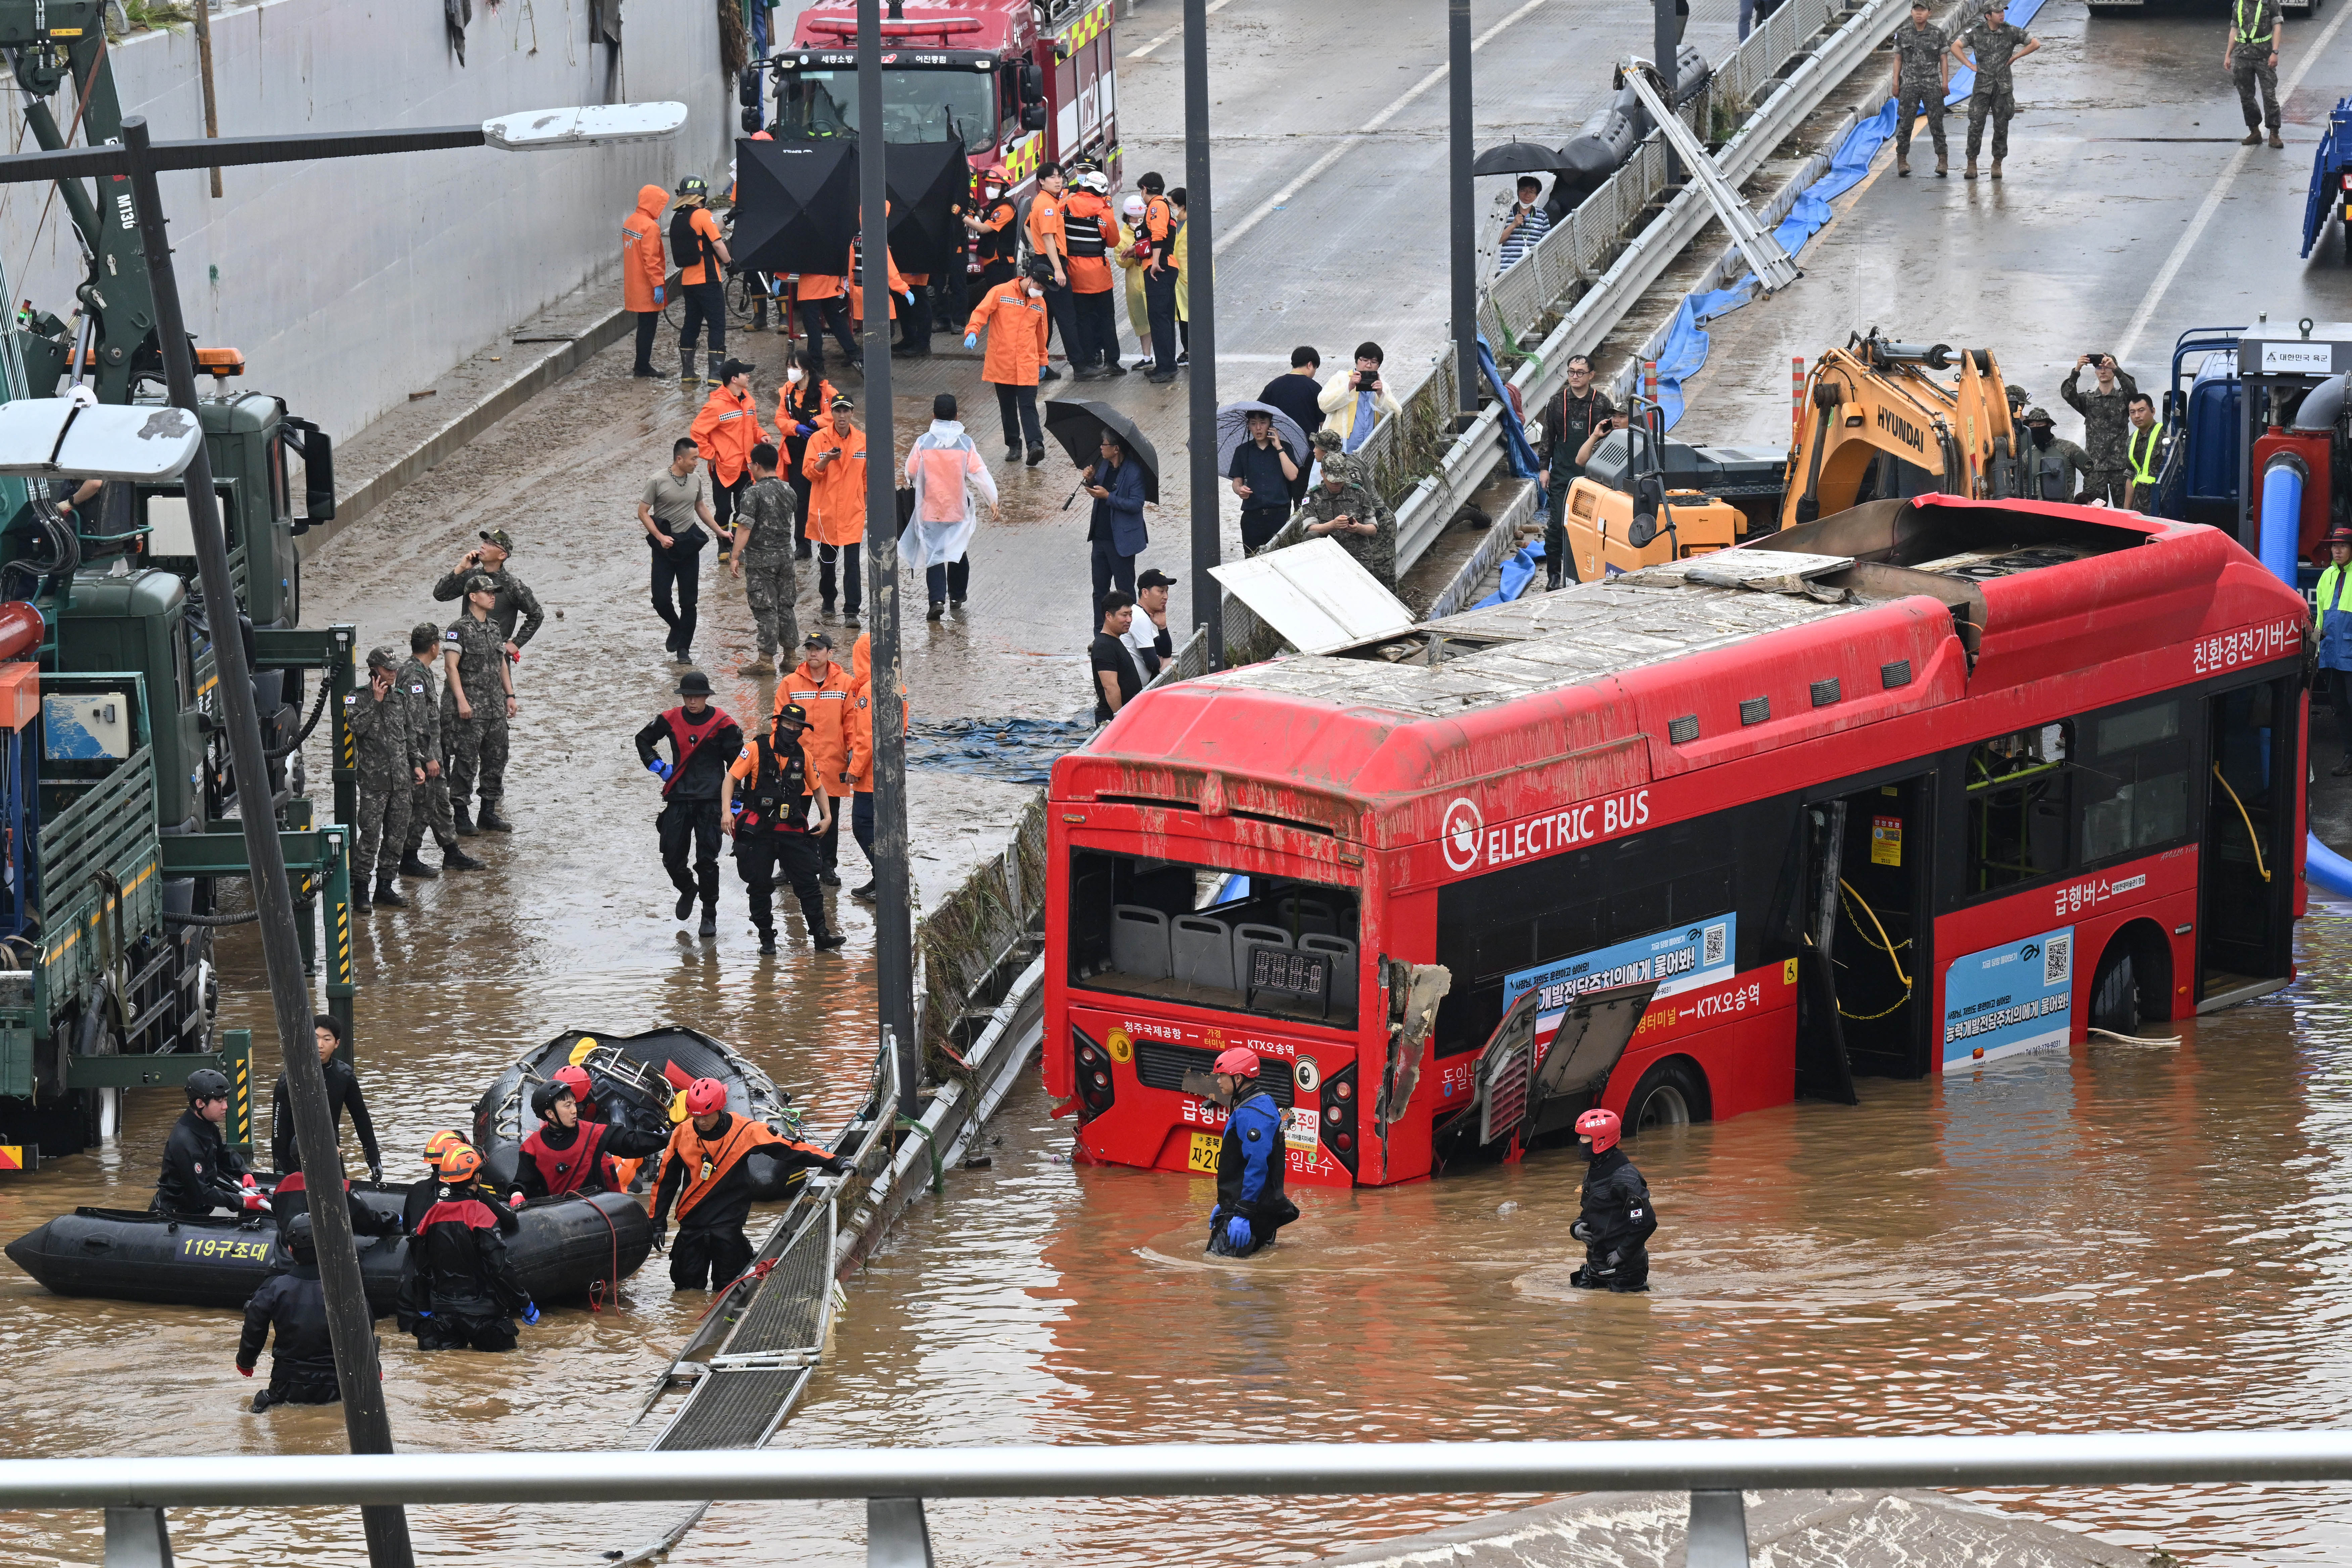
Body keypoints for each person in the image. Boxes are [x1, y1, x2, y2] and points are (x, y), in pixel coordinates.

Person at [650, 1077, 848, 1289]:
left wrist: (836, 1162)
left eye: (707, 1115)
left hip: (728, 1226)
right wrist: (657, 1223)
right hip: (691, 1226)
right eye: (697, 1116)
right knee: (685, 1290)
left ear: (720, 1109)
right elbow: (665, 1181)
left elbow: (790, 1149)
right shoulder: (682, 1134)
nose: (702, 1122)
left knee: (728, 1288)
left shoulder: (746, 1131)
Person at [721, 703, 845, 953]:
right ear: (777, 724)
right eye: (788, 724)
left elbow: (818, 787)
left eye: (797, 727)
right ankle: (767, 940)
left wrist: (828, 816)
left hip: (791, 827)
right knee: (759, 885)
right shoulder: (754, 749)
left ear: (802, 730)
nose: (792, 729)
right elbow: (731, 778)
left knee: (809, 883)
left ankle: (821, 936)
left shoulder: (804, 756)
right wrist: (726, 812)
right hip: (759, 829)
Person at [636, 670, 743, 938]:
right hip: (679, 798)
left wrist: (736, 804)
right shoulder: (670, 718)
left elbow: (738, 765)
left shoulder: (724, 724)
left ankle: (709, 915)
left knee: (707, 860)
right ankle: (687, 889)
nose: (692, 702)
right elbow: (643, 739)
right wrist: (659, 767)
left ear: (707, 696)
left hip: (711, 800)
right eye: (687, 697)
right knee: (672, 857)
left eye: (697, 697)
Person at [399, 1142, 536, 1351]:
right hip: (484, 1314)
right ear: (477, 1177)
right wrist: (525, 1302)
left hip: (444, 1316)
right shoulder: (481, 1214)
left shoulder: (432, 1215)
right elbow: (499, 1268)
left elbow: (421, 1269)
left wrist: (424, 1306)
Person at [396, 622, 484, 878]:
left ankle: (451, 852)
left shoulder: (418, 671)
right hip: (424, 758)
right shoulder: (414, 676)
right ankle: (409, 858)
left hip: (429, 754)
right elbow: (417, 722)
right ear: (434, 647)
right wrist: (429, 759)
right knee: (423, 807)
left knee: (440, 805)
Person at [906, 392, 1000, 620]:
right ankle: (957, 595)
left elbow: (910, 471)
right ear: (957, 415)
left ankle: (937, 599)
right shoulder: (965, 443)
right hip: (957, 508)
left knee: (934, 554)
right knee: (958, 551)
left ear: (933, 415)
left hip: (930, 509)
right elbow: (979, 472)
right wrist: (992, 499)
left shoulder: (923, 442)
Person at [236, 1213, 339, 1412]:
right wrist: (374, 1367)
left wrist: (246, 1361)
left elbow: (254, 1326)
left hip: (286, 1385)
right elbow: (364, 1331)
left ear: (290, 1249)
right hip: (336, 1386)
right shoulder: (345, 1290)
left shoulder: (275, 1289)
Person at [1204, 1048, 1299, 1258]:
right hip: (1255, 1209)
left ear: (1238, 1078)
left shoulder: (1252, 1113)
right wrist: (1224, 1203)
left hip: (1248, 1213)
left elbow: (1257, 1164)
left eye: (1222, 1076)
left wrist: (1242, 1213)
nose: (1218, 1081)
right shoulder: (1260, 1102)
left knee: (1217, 1270)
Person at [346, 647, 421, 914]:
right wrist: (375, 702)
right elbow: (356, 729)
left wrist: (417, 764)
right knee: (369, 837)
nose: (393, 672)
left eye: (395, 668)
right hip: (374, 782)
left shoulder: (400, 697)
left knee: (396, 837)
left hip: (401, 781)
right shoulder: (357, 697)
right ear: (374, 669)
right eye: (388, 669)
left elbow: (409, 734)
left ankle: (385, 888)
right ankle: (361, 890)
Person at [778, 633, 855, 885]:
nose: (813, 653)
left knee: (829, 818)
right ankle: (788, 868)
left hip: (832, 762)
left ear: (829, 653)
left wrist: (853, 752)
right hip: (797, 764)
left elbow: (851, 722)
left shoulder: (846, 684)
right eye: (809, 648)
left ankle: (827, 867)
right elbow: (780, 722)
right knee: (790, 817)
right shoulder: (790, 683)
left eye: (819, 649)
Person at [443, 573, 516, 835]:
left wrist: (510, 695)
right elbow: (451, 667)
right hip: (470, 709)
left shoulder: (494, 628)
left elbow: (501, 664)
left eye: (494, 592)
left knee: (497, 758)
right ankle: (461, 816)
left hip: (495, 708)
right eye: (488, 593)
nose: (493, 596)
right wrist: (461, 702)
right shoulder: (458, 629)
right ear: (473, 597)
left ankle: (488, 813)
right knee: (465, 762)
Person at [1539, 356, 1621, 589]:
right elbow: (1548, 438)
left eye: (1580, 373)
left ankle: (1582, 573)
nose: (1575, 377)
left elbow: (1612, 440)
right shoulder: (1556, 403)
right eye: (1571, 372)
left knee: (1586, 528)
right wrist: (1545, 469)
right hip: (1562, 474)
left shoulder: (1602, 404)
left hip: (1591, 478)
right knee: (1556, 526)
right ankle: (1554, 576)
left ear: (1591, 376)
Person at [514, 1080, 670, 1201]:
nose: (575, 1110)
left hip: (595, 1213)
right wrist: (517, 1194)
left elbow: (631, 1142)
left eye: (574, 1104)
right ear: (550, 1114)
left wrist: (669, 1138)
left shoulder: (593, 1133)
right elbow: (522, 1183)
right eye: (567, 1106)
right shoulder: (531, 1148)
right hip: (556, 1219)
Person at [270, 1014, 382, 1179]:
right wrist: (279, 1170)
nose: (320, 1045)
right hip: (295, 1158)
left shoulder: (343, 1075)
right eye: (315, 1038)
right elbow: (278, 1129)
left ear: (337, 1043)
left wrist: (374, 1161)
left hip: (331, 1153)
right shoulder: (290, 1078)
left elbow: (362, 1120)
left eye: (327, 1039)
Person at [965, 257, 1053, 464]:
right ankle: (1014, 445)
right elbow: (981, 312)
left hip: (1027, 364)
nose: (1041, 291)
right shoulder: (1000, 292)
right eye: (1040, 285)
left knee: (1028, 406)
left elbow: (1042, 335)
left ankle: (1035, 445)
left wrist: (1043, 360)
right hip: (1002, 363)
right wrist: (973, 331)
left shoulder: (1040, 304)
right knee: (1007, 408)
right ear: (1030, 278)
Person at [690, 358, 773, 570]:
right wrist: (711, 455)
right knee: (723, 509)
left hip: (746, 467)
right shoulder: (716, 405)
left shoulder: (749, 402)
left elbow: (753, 428)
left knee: (743, 510)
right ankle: (723, 545)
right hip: (724, 468)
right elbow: (697, 433)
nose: (749, 376)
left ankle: (736, 545)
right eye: (745, 374)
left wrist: (762, 436)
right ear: (734, 379)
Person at [640, 437, 717, 664]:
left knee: (689, 602)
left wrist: (719, 532)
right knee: (661, 599)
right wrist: (660, 537)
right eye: (694, 459)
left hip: (689, 546)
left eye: (698, 458)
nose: (697, 463)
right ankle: (676, 626)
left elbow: (700, 507)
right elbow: (643, 512)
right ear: (679, 458)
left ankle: (684, 649)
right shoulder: (656, 480)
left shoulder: (696, 480)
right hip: (664, 546)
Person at [843, 631, 904, 903]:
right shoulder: (895, 683)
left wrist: (855, 769)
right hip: (891, 771)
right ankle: (882, 876)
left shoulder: (869, 690)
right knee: (883, 827)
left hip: (871, 776)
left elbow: (866, 736)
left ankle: (885, 876)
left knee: (863, 825)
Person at [1568, 1108, 1656, 1293]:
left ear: (1600, 1140)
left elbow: (1645, 1222)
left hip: (1626, 1272)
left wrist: (1622, 1253)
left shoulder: (1626, 1179)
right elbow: (1591, 1211)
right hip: (1597, 1267)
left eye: (1585, 1137)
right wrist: (1577, 1228)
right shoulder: (1595, 1172)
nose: (1579, 1142)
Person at [733, 442, 801, 676]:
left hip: (761, 560)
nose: (750, 467)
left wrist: (734, 556)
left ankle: (765, 660)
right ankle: (791, 656)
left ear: (758, 465)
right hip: (785, 557)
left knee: (765, 609)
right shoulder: (789, 490)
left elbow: (744, 528)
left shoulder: (753, 493)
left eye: (751, 464)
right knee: (786, 607)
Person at [153, 1067, 258, 1219]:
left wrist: (244, 1171)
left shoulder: (206, 1125)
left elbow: (223, 1152)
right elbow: (202, 1192)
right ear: (200, 1103)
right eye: (220, 1101)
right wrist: (242, 1202)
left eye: (226, 1100)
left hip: (199, 1208)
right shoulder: (186, 1142)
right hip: (177, 1213)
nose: (226, 1107)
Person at [1949, 5, 2038, 180]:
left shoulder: (2011, 31)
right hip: (1982, 86)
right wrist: (1970, 65)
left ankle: (1997, 163)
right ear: (1988, 16)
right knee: (1976, 125)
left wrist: (2015, 57)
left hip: (2003, 87)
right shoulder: (1977, 32)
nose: (2002, 15)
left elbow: (2035, 43)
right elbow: (1955, 46)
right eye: (1998, 12)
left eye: (2003, 11)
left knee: (2001, 126)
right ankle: (1972, 163)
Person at [429, 529, 546, 661]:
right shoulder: (471, 576)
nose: (483, 546)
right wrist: (461, 567)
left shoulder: (512, 585)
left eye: (491, 544)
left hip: (495, 658)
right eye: (485, 542)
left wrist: (516, 643)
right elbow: (440, 594)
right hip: (467, 654)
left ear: (502, 555)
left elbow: (537, 614)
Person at [806, 393, 868, 624]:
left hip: (852, 511)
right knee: (828, 563)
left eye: (846, 411)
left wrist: (865, 505)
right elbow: (809, 472)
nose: (842, 416)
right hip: (827, 512)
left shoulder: (862, 440)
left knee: (852, 563)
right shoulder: (818, 439)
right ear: (831, 413)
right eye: (838, 411)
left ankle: (852, 610)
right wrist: (826, 461)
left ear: (852, 413)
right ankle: (828, 602)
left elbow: (865, 478)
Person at [1298, 449, 1399, 590]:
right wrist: (1333, 525)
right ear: (1323, 474)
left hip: (1358, 557)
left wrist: (1359, 528)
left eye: (1340, 480)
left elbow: (1373, 528)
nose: (1337, 484)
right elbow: (1310, 528)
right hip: (1329, 557)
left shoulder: (1358, 493)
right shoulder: (1313, 496)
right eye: (1333, 480)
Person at [669, 175, 733, 385]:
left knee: (691, 324)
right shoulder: (702, 214)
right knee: (717, 324)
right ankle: (715, 376)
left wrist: (728, 218)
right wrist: (731, 264)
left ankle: (688, 372)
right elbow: (716, 243)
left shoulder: (678, 217)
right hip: (708, 278)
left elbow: (703, 235)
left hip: (688, 281)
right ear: (702, 197)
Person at [1063, 169, 1122, 378]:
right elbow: (1114, 241)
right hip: (1098, 274)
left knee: (1083, 319)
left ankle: (1089, 361)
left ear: (1082, 185)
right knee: (1106, 318)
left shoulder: (1066, 206)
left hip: (1073, 272)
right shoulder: (1103, 211)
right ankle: (1112, 362)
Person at [774, 349, 833, 561]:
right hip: (797, 454)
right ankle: (802, 544)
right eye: (789, 367)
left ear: (806, 370)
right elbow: (780, 419)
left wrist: (819, 422)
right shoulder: (787, 393)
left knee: (825, 499)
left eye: (795, 367)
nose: (791, 372)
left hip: (822, 454)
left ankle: (827, 543)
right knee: (800, 501)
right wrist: (795, 427)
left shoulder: (825, 391)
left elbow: (838, 414)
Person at [2062, 355, 2140, 507]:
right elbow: (2067, 394)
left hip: (2120, 468)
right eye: (2099, 368)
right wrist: (2077, 369)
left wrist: (2117, 369)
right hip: (2096, 470)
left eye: (2107, 367)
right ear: (2095, 372)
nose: (2103, 371)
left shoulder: (2123, 398)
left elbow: (2134, 394)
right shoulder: (2089, 400)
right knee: (2094, 515)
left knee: (2124, 512)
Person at [1084, 431, 1150, 614]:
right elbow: (1100, 489)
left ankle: (1129, 633)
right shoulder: (1104, 466)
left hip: (1121, 542)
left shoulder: (1134, 472)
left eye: (1104, 445)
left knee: (1125, 592)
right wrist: (1091, 480)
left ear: (1116, 448)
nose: (1101, 448)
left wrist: (1108, 497)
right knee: (1099, 591)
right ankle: (1100, 634)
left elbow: (1136, 504)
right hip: (1100, 539)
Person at [1026, 163, 1075, 381]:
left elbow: (1028, 226)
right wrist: (1058, 269)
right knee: (1067, 317)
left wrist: (1035, 248)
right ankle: (1081, 365)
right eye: (1053, 177)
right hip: (1051, 263)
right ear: (1042, 181)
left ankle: (1041, 367)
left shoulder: (1043, 202)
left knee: (1045, 318)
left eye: (1060, 176)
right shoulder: (1047, 205)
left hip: (1042, 260)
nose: (1058, 181)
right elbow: (1048, 237)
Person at [1258, 348, 1325, 507]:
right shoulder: (1315, 388)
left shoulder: (1273, 386)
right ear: (1310, 365)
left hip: (1278, 452)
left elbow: (1260, 415)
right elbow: (1324, 425)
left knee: (1281, 501)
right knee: (1303, 501)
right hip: (1306, 455)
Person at [1891, 1, 1950, 179]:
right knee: (1906, 123)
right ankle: (1902, 160)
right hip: (1909, 84)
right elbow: (1898, 59)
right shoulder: (1903, 34)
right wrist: (1895, 83)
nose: (1919, 14)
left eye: (1922, 10)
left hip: (1931, 84)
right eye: (1916, 10)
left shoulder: (1938, 34)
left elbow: (1944, 60)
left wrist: (1945, 83)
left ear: (1929, 13)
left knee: (1936, 123)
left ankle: (1942, 161)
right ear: (1911, 13)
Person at [1230, 409, 1301, 553]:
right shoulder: (1242, 451)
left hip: (1279, 515)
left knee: (1280, 558)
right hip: (1252, 516)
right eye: (1253, 423)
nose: (1258, 428)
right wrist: (1239, 490)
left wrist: (1279, 447)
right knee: (1252, 559)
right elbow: (1237, 481)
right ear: (1248, 426)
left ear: (1270, 425)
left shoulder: (1285, 447)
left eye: (1263, 423)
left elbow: (1292, 475)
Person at [1319, 343, 1404, 456]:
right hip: (1340, 450)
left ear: (1379, 366)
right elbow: (1323, 404)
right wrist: (1348, 387)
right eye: (1364, 360)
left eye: (1374, 362)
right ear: (1357, 361)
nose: (1368, 365)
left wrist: (1381, 394)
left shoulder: (1383, 386)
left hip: (1369, 452)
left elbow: (1397, 414)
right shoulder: (1341, 379)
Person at [622, 183, 670, 378]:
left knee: (643, 326)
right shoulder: (650, 227)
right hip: (648, 286)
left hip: (634, 284)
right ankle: (642, 366)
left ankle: (641, 364)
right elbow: (651, 260)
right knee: (647, 329)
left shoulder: (631, 222)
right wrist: (658, 284)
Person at [1138, 171, 1181, 383]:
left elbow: (1158, 235)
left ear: (1145, 189)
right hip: (1165, 266)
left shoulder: (1155, 206)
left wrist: (1154, 263)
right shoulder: (1163, 206)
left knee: (1160, 318)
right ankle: (1165, 364)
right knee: (1160, 318)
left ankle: (1167, 367)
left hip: (1160, 268)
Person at [2226, 0, 2286, 147]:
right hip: (2242, 56)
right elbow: (2234, 30)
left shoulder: (2270, 3)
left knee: (2269, 95)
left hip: (2264, 56)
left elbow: (2277, 27)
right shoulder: (2239, 3)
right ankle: (2254, 131)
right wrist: (2228, 55)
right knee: (2246, 96)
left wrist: (2275, 52)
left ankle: (2274, 133)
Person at [1090, 591, 1148, 724]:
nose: (1129, 620)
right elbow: (1110, 687)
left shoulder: (1114, 640)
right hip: (1112, 721)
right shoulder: (1104, 646)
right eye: (1124, 615)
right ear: (1108, 616)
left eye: (1130, 614)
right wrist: (1120, 721)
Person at [794, 266, 861, 377]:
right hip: (831, 281)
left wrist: (778, 277)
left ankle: (816, 363)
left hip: (809, 283)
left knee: (812, 323)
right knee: (834, 316)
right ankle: (853, 351)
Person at [2017, 407, 2094, 502]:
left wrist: (2084, 498)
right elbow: (2024, 481)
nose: (2036, 428)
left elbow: (2090, 471)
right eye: (2032, 426)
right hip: (2037, 511)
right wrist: (2026, 501)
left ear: (2049, 425)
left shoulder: (2068, 449)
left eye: (2040, 424)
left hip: (2064, 510)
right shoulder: (2028, 455)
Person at [966, 163, 1022, 290]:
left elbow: (983, 229)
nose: (989, 188)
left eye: (994, 186)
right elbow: (987, 221)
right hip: (992, 262)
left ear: (1004, 188)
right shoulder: (995, 205)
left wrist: (961, 215)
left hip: (1001, 263)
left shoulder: (1006, 208)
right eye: (988, 185)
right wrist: (977, 208)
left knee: (1000, 300)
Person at [1115, 193, 1152, 369]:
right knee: (1142, 323)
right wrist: (1134, 253)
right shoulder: (1122, 237)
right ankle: (1147, 357)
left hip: (1153, 282)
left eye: (1140, 218)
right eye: (1134, 218)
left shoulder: (1153, 232)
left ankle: (1164, 357)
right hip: (1135, 287)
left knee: (1159, 322)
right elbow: (1120, 260)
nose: (1137, 221)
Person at [1126, 568, 1177, 678]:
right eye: (1161, 591)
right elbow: (1153, 664)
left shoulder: (1140, 613)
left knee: (1167, 661)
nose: (1166, 597)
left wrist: (1162, 627)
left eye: (1167, 591)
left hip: (1137, 687)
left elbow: (1165, 652)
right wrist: (1158, 660)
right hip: (1133, 691)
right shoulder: (1139, 617)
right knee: (1168, 664)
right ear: (1145, 593)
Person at [1496, 175, 1553, 268]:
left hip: (1532, 268)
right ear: (1518, 192)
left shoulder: (1542, 215)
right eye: (1523, 191)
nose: (1527, 195)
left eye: (1531, 192)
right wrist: (1513, 225)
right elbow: (1498, 240)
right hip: (1508, 267)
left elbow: (1547, 243)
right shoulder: (1505, 214)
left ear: (1536, 195)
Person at [2124, 393, 2166, 513]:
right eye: (2132, 412)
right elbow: (2131, 476)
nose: (2137, 416)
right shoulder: (2131, 441)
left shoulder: (2166, 436)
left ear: (2153, 411)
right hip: (2139, 509)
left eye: (2141, 411)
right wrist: (2126, 512)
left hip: (2162, 507)